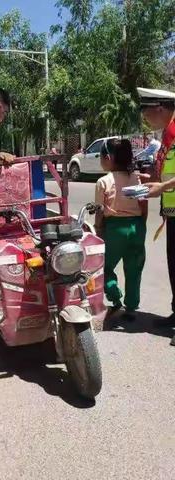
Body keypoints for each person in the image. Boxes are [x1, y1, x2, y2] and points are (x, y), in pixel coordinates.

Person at [137, 87, 175, 344]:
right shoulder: (167, 133)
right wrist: (150, 181)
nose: (145, 119)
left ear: (158, 108)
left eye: (146, 113)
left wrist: (161, 187)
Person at [94, 139, 147, 322]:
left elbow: (100, 211)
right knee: (134, 268)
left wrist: (98, 230)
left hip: (114, 228)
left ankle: (116, 298)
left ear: (108, 157)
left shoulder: (103, 182)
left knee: (104, 266)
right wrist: (142, 226)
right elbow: (144, 205)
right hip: (137, 226)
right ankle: (131, 307)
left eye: (101, 157)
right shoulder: (136, 178)